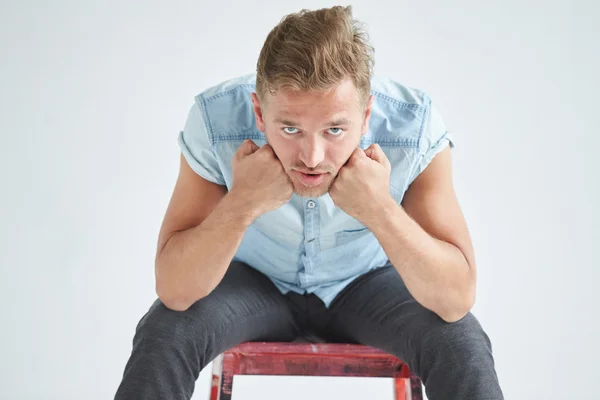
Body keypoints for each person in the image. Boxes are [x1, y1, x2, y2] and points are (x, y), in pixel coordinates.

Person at [115, 5, 504, 400]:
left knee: (459, 341)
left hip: (369, 283)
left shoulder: (413, 126)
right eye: (290, 129)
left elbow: (456, 299)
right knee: (165, 330)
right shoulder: (216, 120)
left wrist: (379, 209)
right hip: (253, 283)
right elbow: (176, 291)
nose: (313, 157)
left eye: (335, 129)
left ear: (366, 114)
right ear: (259, 114)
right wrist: (243, 203)